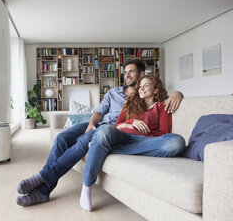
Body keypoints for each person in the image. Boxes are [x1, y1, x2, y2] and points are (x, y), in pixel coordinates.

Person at [16, 60, 184, 207]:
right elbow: (99, 112)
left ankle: (43, 185)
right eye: (125, 72)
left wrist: (178, 93)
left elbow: (163, 98)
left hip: (113, 132)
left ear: (141, 74)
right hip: (98, 125)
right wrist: (90, 123)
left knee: (85, 140)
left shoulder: (144, 94)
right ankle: (45, 187)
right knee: (62, 137)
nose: (127, 75)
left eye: (131, 71)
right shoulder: (114, 92)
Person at [79, 76, 185, 212]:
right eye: (140, 86)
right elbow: (116, 126)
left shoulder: (162, 107)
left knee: (176, 142)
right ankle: (87, 187)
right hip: (122, 136)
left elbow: (164, 135)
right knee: (104, 130)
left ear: (156, 90)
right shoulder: (129, 104)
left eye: (146, 85)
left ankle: (102, 147)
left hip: (145, 141)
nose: (141, 88)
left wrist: (178, 93)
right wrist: (131, 122)